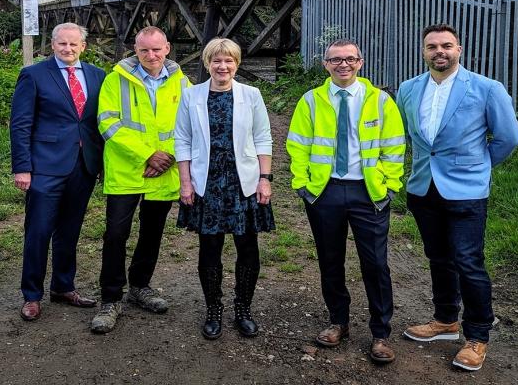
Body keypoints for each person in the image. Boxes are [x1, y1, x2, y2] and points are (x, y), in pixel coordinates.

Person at [396, 23, 518, 372]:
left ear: (459, 49)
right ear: (423, 52)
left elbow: (508, 137)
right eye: (432, 46)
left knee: (468, 261)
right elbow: (411, 135)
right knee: (438, 258)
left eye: (446, 46)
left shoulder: (485, 88)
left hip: (467, 191)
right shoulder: (407, 89)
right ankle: (445, 320)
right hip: (422, 187)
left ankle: (478, 335)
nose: (440, 52)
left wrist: (479, 167)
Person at [286, 39, 405, 364]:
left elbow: (394, 146)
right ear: (326, 64)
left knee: (376, 264)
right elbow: (297, 144)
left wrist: (388, 185)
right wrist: (304, 185)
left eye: (350, 59)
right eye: (336, 60)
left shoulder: (380, 101)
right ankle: (338, 321)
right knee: (330, 259)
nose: (343, 65)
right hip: (325, 192)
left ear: (360, 62)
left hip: (369, 194)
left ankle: (381, 333)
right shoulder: (311, 101)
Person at [90, 26, 189, 334]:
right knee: (116, 235)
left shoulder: (182, 82)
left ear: (168, 48)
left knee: (152, 233)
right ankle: (110, 297)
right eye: (144, 50)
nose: (151, 55)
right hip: (128, 170)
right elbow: (107, 123)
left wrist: (167, 156)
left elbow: (190, 123)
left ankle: (140, 286)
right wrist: (148, 155)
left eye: (157, 49)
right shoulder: (115, 79)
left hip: (163, 171)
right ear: (135, 49)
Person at [174, 38, 274, 340]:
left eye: (229, 61)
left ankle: (243, 307)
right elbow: (183, 140)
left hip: (244, 182)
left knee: (247, 248)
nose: (223, 66)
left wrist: (264, 178)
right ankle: (213, 308)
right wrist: (185, 181)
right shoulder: (191, 96)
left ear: (237, 64)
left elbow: (263, 137)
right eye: (216, 61)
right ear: (207, 64)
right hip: (207, 182)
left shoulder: (252, 95)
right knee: (210, 248)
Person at [10, 23, 106, 321]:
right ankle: (32, 295)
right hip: (45, 167)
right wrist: (22, 167)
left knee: (70, 230)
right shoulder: (34, 75)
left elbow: (99, 122)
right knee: (38, 231)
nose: (68, 49)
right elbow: (20, 123)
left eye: (73, 44)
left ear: (83, 46)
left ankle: (63, 286)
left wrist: (102, 164)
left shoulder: (98, 76)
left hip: (84, 164)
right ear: (52, 45)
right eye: (62, 44)